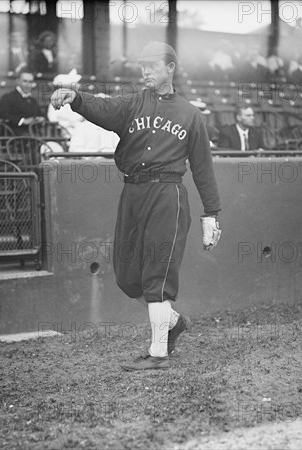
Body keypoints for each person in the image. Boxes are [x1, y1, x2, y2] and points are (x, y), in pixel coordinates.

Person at [50, 41, 222, 371]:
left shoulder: (190, 115)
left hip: (166, 194)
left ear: (170, 68)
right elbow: (104, 108)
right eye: (142, 66)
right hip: (133, 192)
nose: (145, 71)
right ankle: (173, 323)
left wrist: (210, 214)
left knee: (157, 274)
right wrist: (77, 98)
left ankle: (158, 353)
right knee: (128, 276)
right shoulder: (134, 104)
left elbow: (202, 168)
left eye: (152, 66)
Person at [0, 70, 46, 135]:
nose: (28, 84)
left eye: (30, 82)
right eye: (25, 81)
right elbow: (1, 115)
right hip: (13, 134)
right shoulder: (8, 97)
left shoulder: (33, 101)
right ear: (18, 81)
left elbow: (39, 114)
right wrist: (22, 121)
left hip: (32, 134)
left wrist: (41, 118)